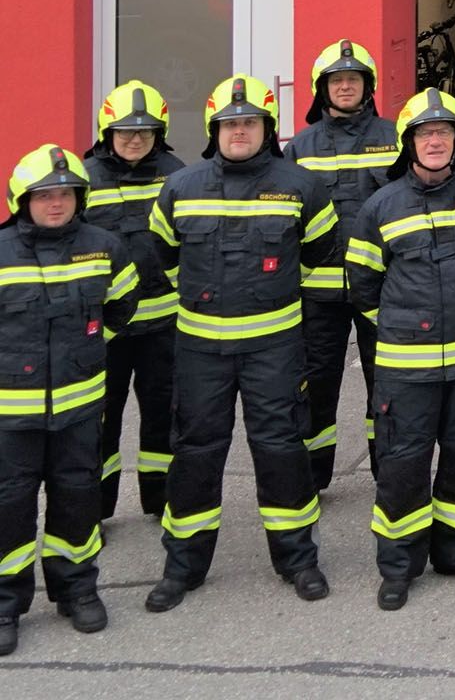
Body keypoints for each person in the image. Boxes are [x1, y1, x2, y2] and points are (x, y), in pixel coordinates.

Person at [145, 77, 339, 613]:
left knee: (282, 450)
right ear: (214, 130)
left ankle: (298, 559)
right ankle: (182, 566)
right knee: (195, 453)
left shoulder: (301, 186)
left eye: (249, 122)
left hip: (274, 348)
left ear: (267, 128)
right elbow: (164, 255)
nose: (239, 131)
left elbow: (320, 251)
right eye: (229, 123)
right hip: (200, 351)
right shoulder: (180, 187)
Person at [344, 89, 455, 610]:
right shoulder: (380, 207)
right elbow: (363, 288)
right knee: (403, 466)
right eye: (424, 133)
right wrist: (403, 332)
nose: (434, 141)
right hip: (404, 369)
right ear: (408, 143)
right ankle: (399, 566)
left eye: (443, 132)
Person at [0, 146, 137, 656]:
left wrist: (85, 353)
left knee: (78, 499)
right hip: (10, 416)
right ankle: (5, 603)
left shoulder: (104, 247)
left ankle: (77, 589)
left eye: (65, 194)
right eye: (44, 195)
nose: (56, 203)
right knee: (9, 507)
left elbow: (122, 305)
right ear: (22, 200)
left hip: (79, 409)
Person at [285, 40, 398, 489]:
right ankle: (312, 477)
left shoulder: (394, 138)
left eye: (353, 79)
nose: (345, 86)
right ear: (322, 89)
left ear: (368, 86)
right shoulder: (300, 146)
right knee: (315, 383)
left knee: (385, 383)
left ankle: (389, 471)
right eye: (337, 80)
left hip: (382, 286)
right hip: (318, 291)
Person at [83, 81, 185, 521]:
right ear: (108, 132)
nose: (135, 138)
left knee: (164, 415)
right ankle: (95, 511)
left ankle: (159, 501)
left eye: (145, 131)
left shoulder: (177, 175)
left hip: (165, 325)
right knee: (99, 420)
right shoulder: (85, 179)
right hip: (105, 329)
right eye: (125, 130)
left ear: (159, 133)